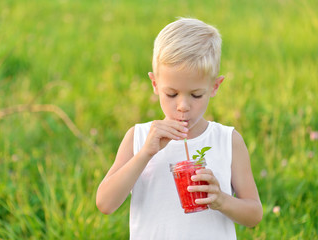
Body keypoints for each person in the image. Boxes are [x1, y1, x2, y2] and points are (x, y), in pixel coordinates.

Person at [96, 17, 262, 239]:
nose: (183, 106)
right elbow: (105, 203)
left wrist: (221, 200)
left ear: (214, 87)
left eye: (196, 95)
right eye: (171, 94)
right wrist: (145, 153)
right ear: (155, 84)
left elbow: (254, 215)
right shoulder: (139, 137)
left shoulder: (228, 140)